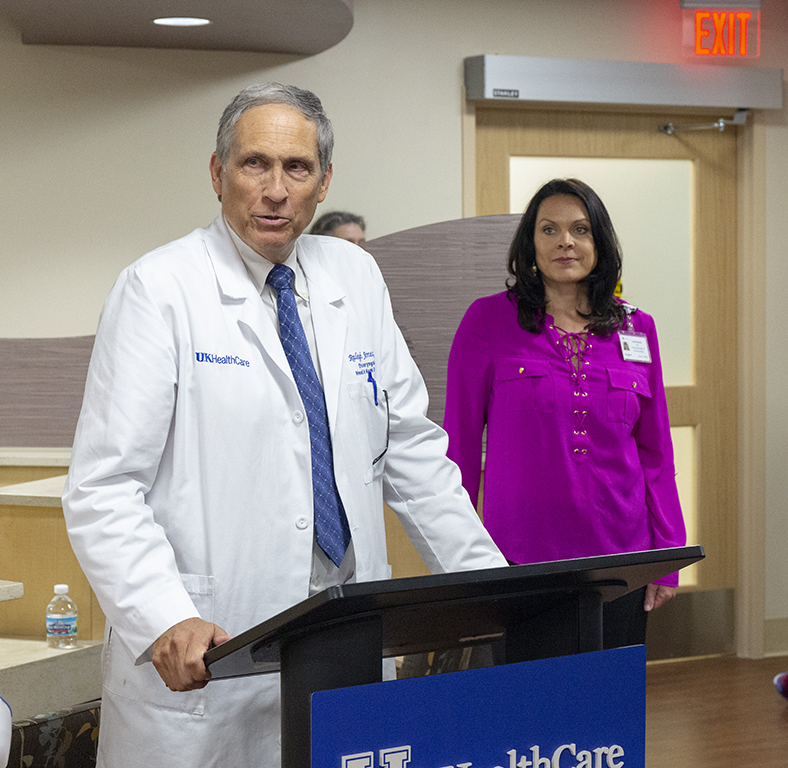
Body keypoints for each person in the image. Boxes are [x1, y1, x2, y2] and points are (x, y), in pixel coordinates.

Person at [61, 83, 506, 768]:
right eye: (253, 164)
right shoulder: (159, 290)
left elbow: (412, 452)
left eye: (296, 168)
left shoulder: (354, 276)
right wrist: (163, 616)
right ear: (217, 174)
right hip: (213, 659)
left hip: (345, 645)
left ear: (323, 181)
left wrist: (495, 589)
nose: (275, 189)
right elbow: (105, 488)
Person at [443, 178, 686, 649]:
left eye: (580, 229)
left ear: (600, 242)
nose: (566, 242)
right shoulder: (487, 321)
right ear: (530, 245)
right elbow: (460, 446)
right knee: (532, 708)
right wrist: (460, 560)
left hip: (623, 558)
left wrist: (667, 557)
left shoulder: (638, 328)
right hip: (520, 557)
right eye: (549, 230)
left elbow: (656, 454)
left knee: (611, 705)